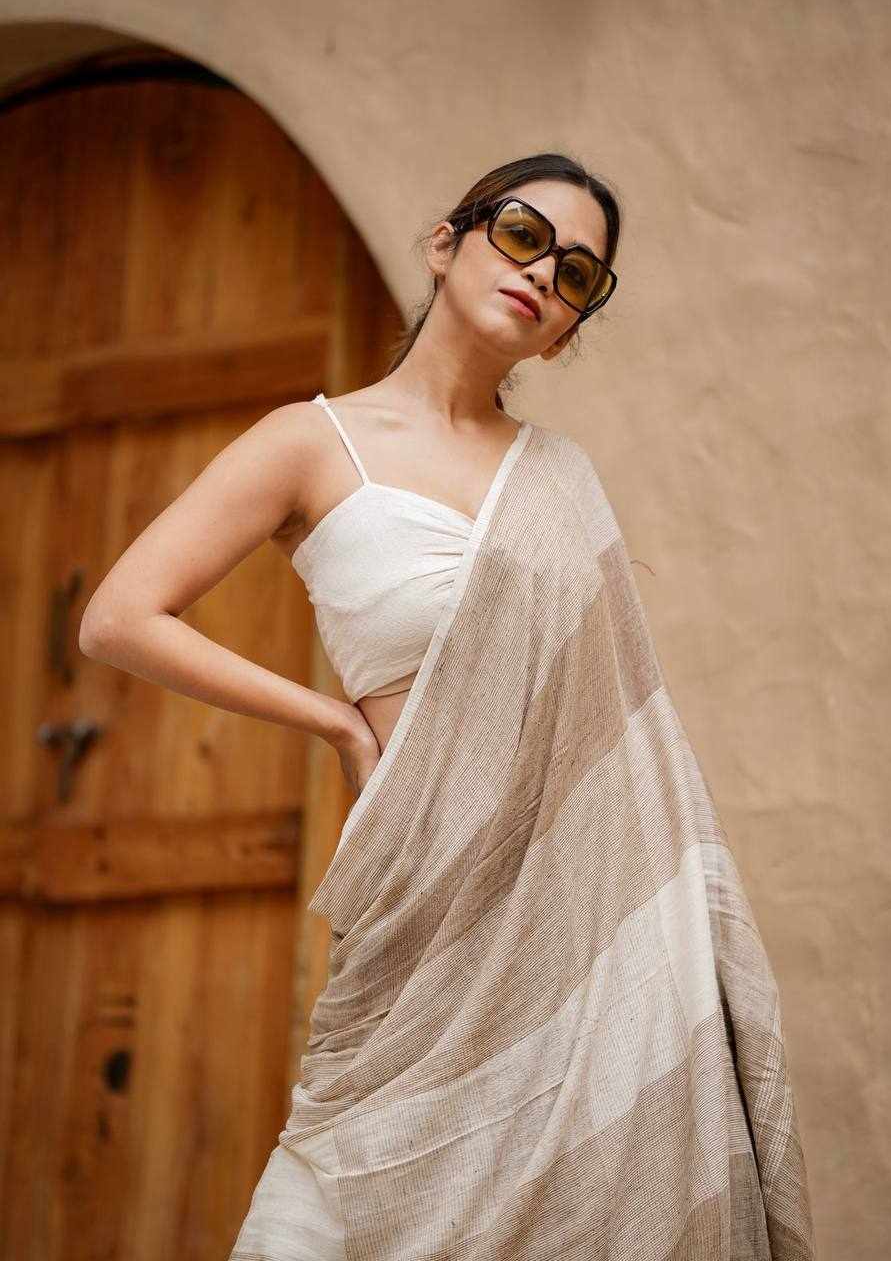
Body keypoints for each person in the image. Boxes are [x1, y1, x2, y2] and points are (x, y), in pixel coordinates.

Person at [80, 153, 815, 1260]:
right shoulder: (309, 443)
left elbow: (623, 740)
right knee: (319, 1214)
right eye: (522, 234)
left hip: (571, 929)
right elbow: (119, 617)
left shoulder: (560, 480)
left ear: (565, 330)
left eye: (577, 275)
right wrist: (334, 720)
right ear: (445, 242)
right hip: (420, 900)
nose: (544, 273)